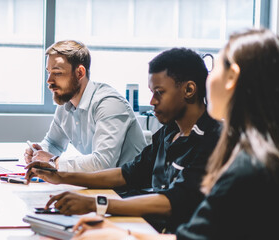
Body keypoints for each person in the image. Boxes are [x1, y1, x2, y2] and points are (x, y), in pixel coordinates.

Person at [71, 28, 279, 240]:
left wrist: (119, 233)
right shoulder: (263, 156)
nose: (209, 77)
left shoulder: (246, 166)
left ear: (232, 77)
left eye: (216, 66)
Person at [25, 48, 222, 232]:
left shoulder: (214, 139)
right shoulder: (169, 133)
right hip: (150, 226)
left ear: (189, 90)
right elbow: (127, 174)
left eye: (159, 93)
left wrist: (97, 204)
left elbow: (176, 200)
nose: (152, 101)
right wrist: (60, 176)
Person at [24, 40, 147, 172]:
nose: (49, 81)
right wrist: (39, 152)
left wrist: (53, 161)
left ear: (80, 73)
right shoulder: (67, 103)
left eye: (57, 73)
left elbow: (102, 164)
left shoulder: (109, 104)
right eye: (49, 72)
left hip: (130, 190)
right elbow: (53, 143)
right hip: (101, 185)